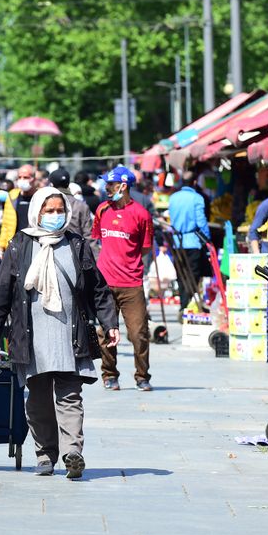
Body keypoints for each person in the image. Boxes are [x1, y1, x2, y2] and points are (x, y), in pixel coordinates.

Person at [0, 187, 119, 478]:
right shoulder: (20, 244)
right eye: (49, 210)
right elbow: (2, 292)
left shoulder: (76, 244)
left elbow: (98, 289)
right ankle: (45, 456)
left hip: (70, 335)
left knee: (70, 395)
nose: (55, 215)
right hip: (31, 338)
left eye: (59, 210)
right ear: (37, 212)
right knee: (38, 399)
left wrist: (110, 323)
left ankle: (72, 452)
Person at [92, 166, 155, 391]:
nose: (106, 188)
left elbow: (146, 247)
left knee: (138, 333)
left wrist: (128, 262)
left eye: (110, 184)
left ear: (123, 186)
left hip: (132, 283)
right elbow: (97, 240)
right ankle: (109, 374)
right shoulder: (101, 210)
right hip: (105, 282)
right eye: (106, 184)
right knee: (104, 332)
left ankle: (142, 376)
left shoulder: (141, 214)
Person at [167, 173, 211, 310]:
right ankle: (189, 304)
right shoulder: (197, 198)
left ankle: (183, 304)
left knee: (181, 274)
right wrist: (207, 239)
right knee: (193, 274)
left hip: (176, 242)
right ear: (194, 182)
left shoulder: (173, 198)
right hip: (192, 242)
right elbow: (201, 222)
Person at [0, 164, 38, 253]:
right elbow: (5, 224)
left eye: (26, 177)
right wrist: (1, 247)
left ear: (34, 179)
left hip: (34, 245)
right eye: (20, 177)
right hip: (14, 246)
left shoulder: (40, 196)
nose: (22, 180)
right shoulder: (12, 196)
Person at [49, 167, 91, 237]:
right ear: (68, 184)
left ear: (51, 184)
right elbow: (88, 235)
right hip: (76, 246)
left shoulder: (45, 203)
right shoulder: (81, 206)